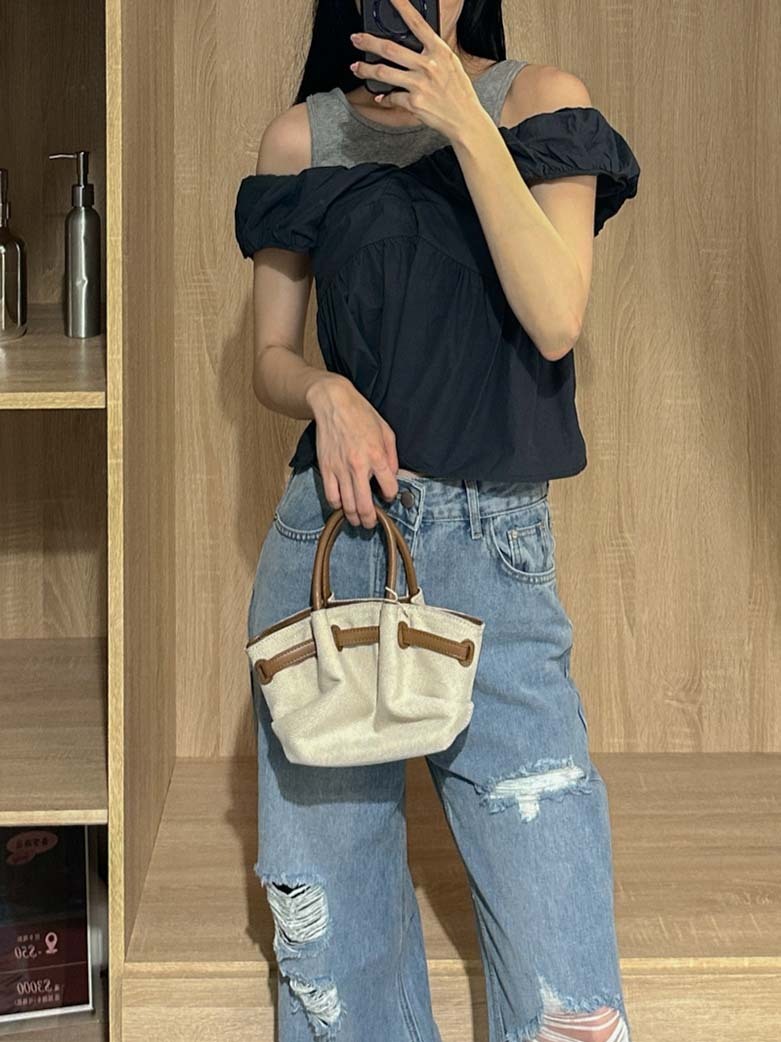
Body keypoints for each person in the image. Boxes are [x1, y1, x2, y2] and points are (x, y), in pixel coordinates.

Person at [236, 1, 641, 1039]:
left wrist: (463, 115)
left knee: (570, 1000)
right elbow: (269, 358)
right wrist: (325, 390)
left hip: (495, 554)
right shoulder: (305, 134)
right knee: (339, 973)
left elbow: (554, 317)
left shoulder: (541, 102)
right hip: (335, 545)